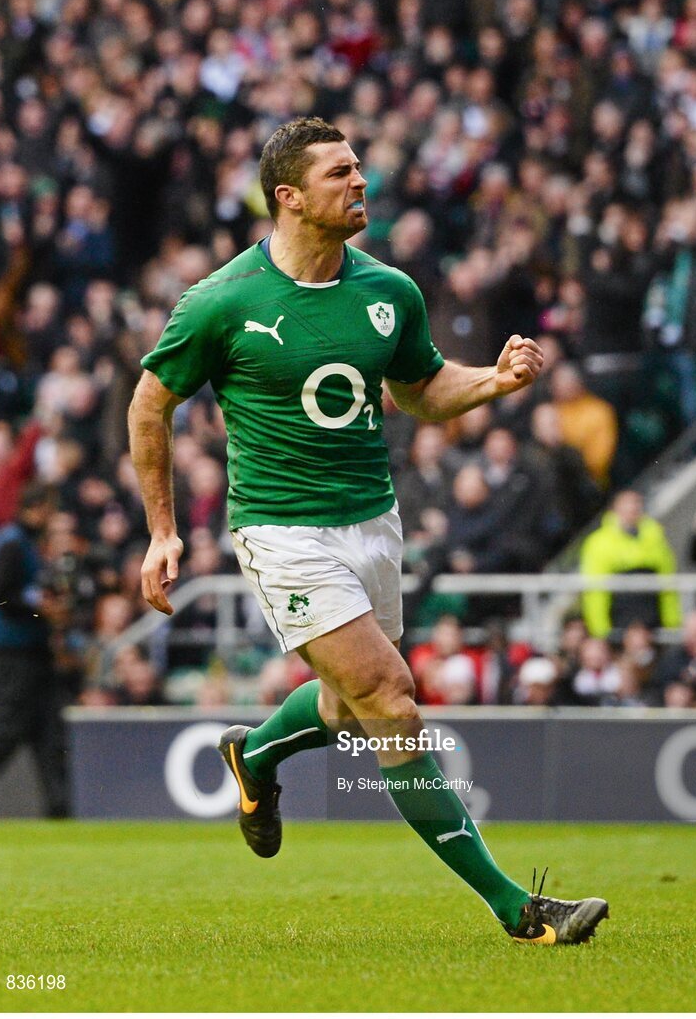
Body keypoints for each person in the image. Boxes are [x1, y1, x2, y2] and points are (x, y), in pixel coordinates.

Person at [128, 117, 607, 946]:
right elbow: (150, 404)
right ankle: (517, 910)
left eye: (359, 169)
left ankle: (258, 756)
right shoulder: (221, 301)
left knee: (351, 712)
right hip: (282, 530)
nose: (359, 184)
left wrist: (492, 379)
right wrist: (162, 531)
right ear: (289, 197)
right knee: (388, 697)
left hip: (372, 522)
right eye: (339, 173)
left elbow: (420, 389)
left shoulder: (389, 291)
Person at [0, 483, 69, 819]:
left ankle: (59, 809)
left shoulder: (23, 543)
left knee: (50, 734)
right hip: (13, 657)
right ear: (37, 508)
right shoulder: (12, 544)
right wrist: (42, 610)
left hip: (33, 655)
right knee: (6, 737)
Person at [580, 489, 682, 638]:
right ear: (615, 508)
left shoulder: (655, 537)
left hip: (654, 624)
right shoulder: (598, 543)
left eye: (637, 503)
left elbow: (668, 585)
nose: (633, 508)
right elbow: (595, 591)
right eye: (627, 503)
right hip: (620, 624)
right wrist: (601, 631)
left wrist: (672, 624)